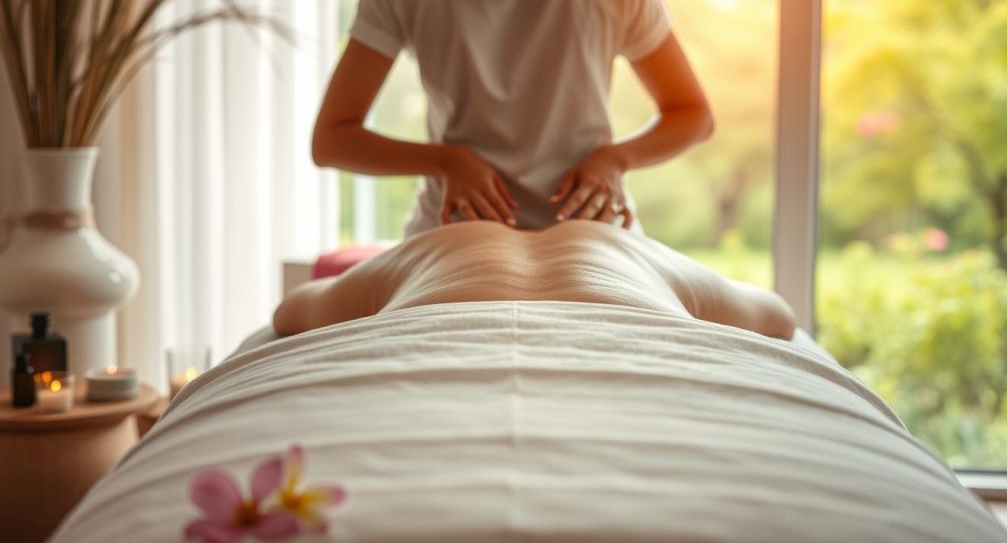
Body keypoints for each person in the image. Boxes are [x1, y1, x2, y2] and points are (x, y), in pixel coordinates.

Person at [312, 0, 713, 236]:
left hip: (590, 234)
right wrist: (447, 162)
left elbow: (693, 114)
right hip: (455, 235)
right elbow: (332, 139)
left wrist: (615, 158)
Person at [273, 220, 796, 340]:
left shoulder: (426, 248)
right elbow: (776, 317)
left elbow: (292, 312)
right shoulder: (634, 249)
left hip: (426, 326)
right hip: (640, 322)